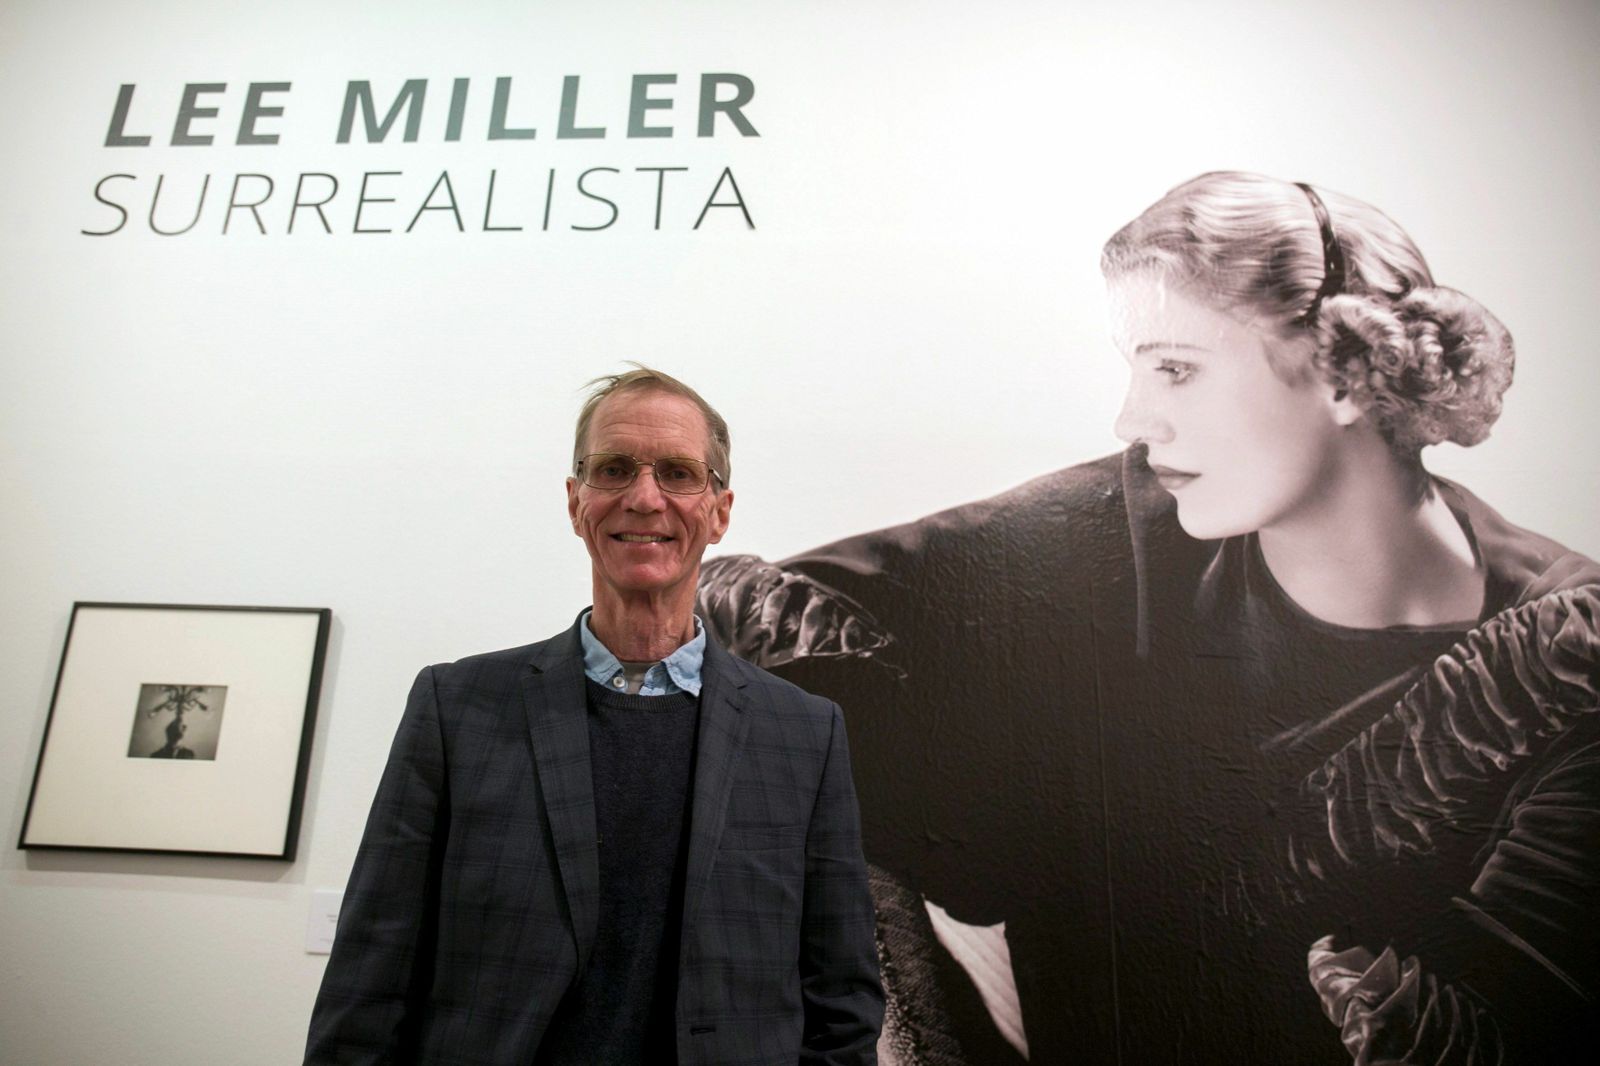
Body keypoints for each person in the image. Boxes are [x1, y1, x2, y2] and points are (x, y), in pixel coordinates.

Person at [699, 173, 1600, 1064]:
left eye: (1176, 368)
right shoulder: (1118, 525)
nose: (1134, 418)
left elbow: (1515, 1011)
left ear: (1347, 376)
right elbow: (747, 616)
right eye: (1136, 368)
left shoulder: (1569, 663)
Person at [306, 367, 883, 1065]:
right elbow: (372, 974)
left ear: (719, 510)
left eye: (677, 472)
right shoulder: (456, 709)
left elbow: (842, 1002)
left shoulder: (803, 734)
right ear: (577, 502)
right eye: (614, 470)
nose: (644, 498)